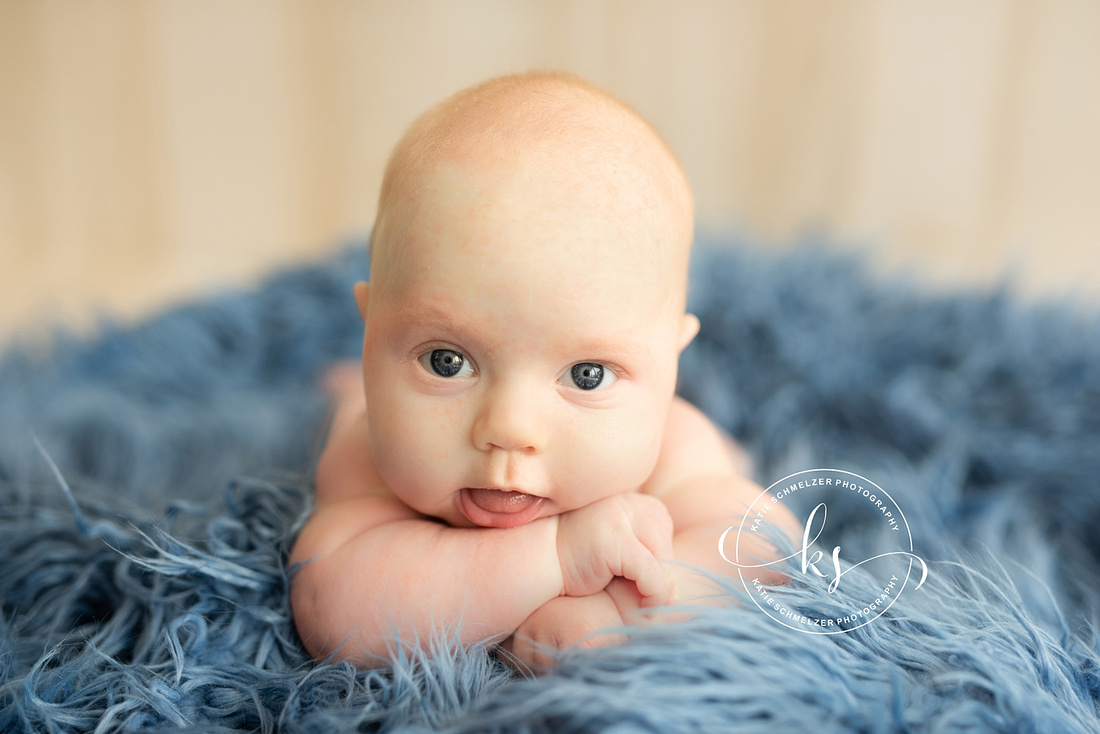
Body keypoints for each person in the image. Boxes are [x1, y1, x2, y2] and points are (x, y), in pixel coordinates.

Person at [289, 71, 800, 673]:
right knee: (351, 408)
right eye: (445, 361)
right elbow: (336, 611)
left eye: (587, 375)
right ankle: (354, 385)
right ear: (373, 329)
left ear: (670, 365)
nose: (510, 427)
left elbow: (770, 550)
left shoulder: (671, 450)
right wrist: (555, 559)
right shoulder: (369, 459)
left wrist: (622, 608)